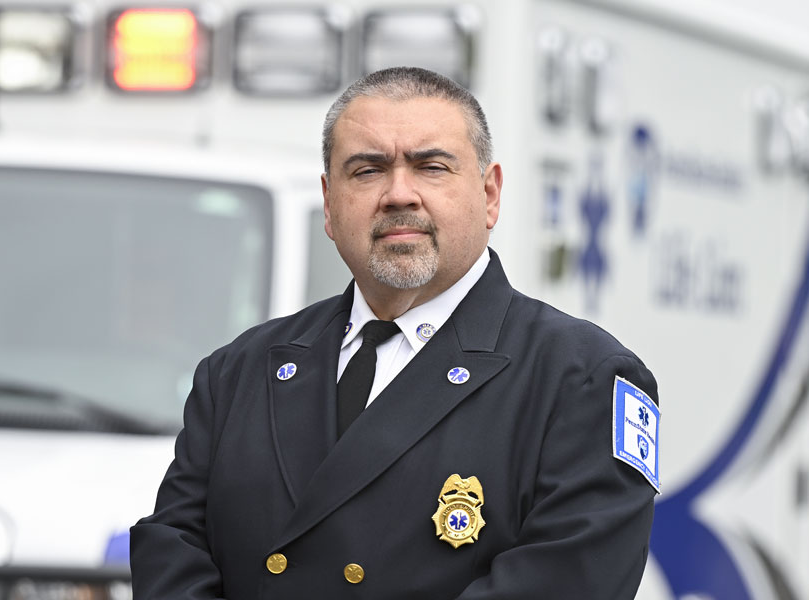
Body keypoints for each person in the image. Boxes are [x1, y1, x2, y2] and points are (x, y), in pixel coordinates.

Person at [129, 66, 660, 599]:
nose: (398, 194)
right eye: (367, 171)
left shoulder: (583, 378)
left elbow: (566, 583)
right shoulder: (238, 371)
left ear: (490, 194)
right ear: (330, 204)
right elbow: (173, 550)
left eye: (431, 167)